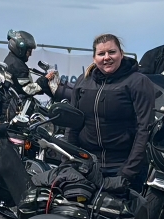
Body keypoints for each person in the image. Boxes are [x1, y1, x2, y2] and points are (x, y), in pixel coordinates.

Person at [66, 34, 155, 192]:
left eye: (112, 52)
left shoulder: (138, 82)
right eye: (101, 54)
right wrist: (69, 162)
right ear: (94, 58)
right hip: (87, 166)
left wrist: (127, 173)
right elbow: (72, 125)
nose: (107, 57)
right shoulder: (83, 82)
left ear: (121, 53)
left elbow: (145, 129)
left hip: (122, 168)